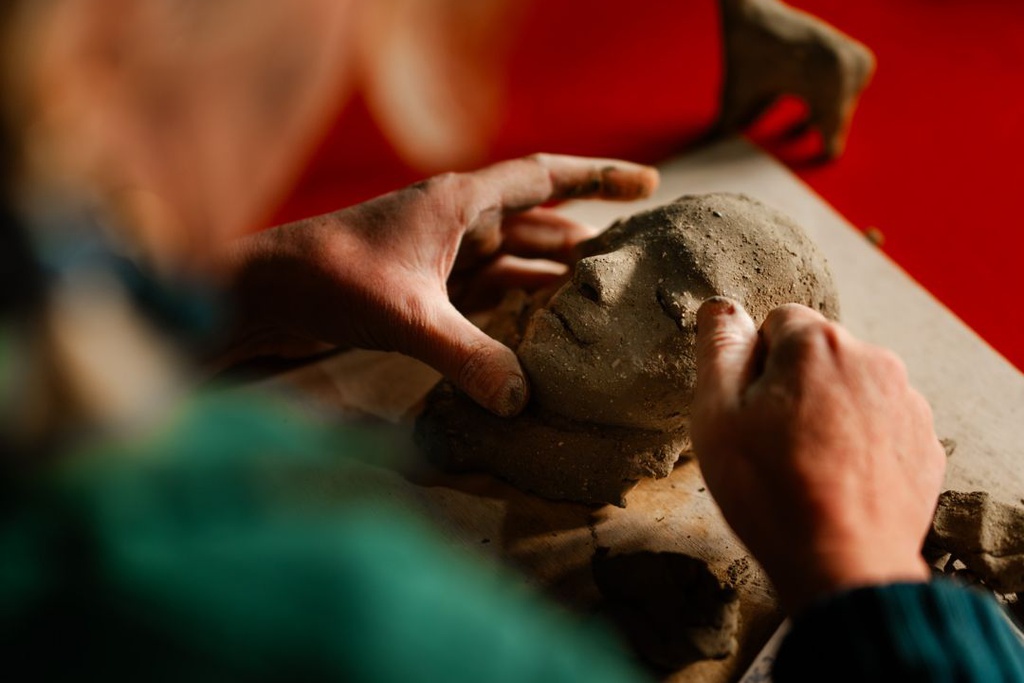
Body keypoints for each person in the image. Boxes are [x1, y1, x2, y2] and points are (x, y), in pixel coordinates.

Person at [2, 4, 1022, 682]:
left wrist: (237, 298)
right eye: (621, 245)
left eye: (671, 295)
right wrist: (866, 581)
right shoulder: (350, 616)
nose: (597, 270)